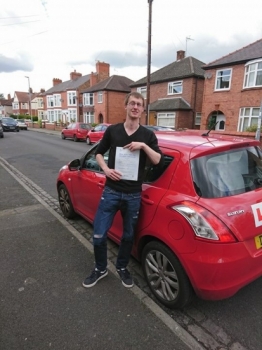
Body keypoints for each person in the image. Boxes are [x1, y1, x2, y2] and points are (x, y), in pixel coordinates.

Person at [82, 91, 162, 289]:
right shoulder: (113, 131)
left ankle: (122, 267)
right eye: (132, 103)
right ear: (126, 106)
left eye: (139, 104)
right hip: (111, 191)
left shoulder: (148, 135)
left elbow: (157, 159)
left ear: (143, 109)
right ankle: (100, 268)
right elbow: (99, 153)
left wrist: (143, 145)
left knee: (127, 236)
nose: (135, 107)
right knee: (99, 235)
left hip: (133, 195)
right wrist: (107, 170)